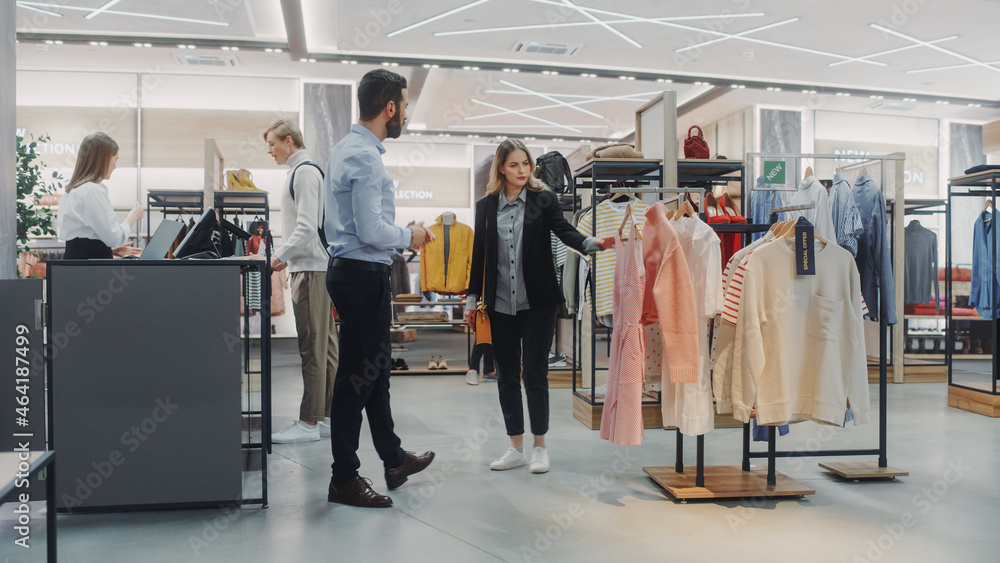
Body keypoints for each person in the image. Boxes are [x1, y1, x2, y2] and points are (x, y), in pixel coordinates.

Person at [465, 139, 613, 474]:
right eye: (514, 165)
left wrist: (591, 242)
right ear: (501, 167)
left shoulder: (543, 199)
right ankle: (515, 446)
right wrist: (472, 300)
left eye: (526, 164)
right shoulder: (486, 206)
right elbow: (479, 255)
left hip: (538, 304)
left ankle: (540, 446)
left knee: (535, 373)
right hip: (500, 304)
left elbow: (563, 231)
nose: (521, 171)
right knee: (505, 376)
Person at [324, 69, 436, 508]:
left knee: (376, 371)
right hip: (361, 275)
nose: (404, 114)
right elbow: (371, 230)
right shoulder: (366, 157)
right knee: (357, 379)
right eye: (404, 107)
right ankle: (343, 478)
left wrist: (395, 233)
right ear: (390, 108)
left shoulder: (344, 149)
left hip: (352, 270)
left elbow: (350, 224)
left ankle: (393, 458)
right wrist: (410, 236)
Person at [264, 119, 339, 444]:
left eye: (272, 143)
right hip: (314, 267)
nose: (270, 150)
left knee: (313, 346)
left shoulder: (304, 172)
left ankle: (309, 421)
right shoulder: (304, 171)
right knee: (325, 348)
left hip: (309, 269)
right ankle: (324, 416)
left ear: (289, 140)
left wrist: (278, 257)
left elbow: (307, 226)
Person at [58, 132, 144, 259]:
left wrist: (111, 250)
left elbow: (83, 237)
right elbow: (116, 237)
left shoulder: (74, 191)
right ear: (103, 159)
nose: (115, 166)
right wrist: (133, 216)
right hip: (91, 272)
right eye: (115, 159)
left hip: (77, 266)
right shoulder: (92, 191)